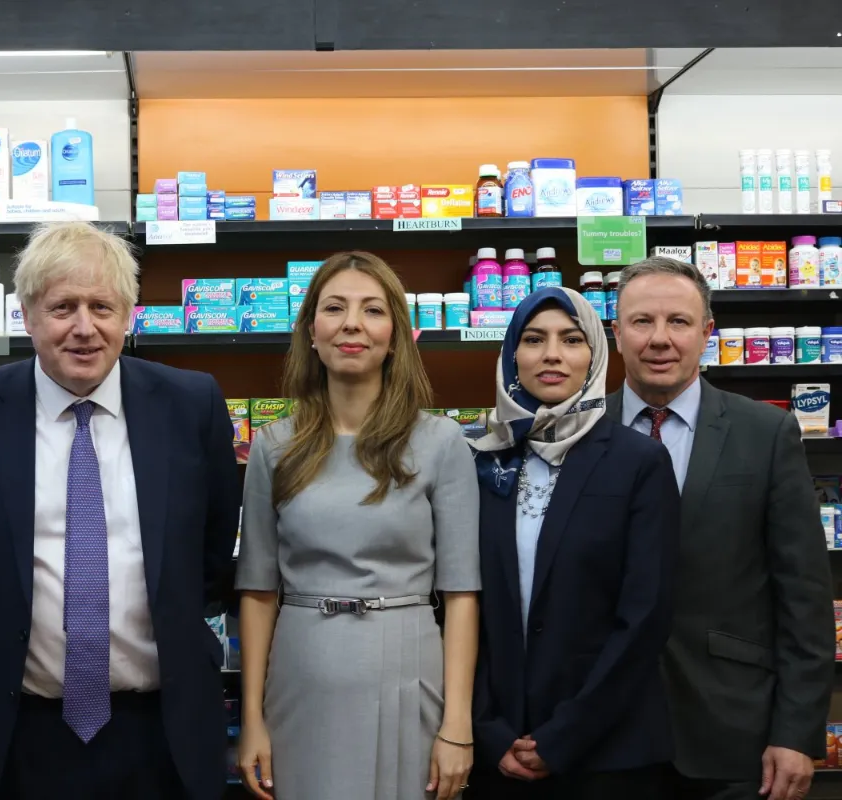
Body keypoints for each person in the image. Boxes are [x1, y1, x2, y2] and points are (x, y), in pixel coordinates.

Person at [0, 221, 240, 800]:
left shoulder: (192, 404)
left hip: (162, 733)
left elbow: (211, 555)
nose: (84, 328)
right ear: (28, 315)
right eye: (63, 307)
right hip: (14, 733)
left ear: (129, 315)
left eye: (102, 307)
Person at [235, 251, 480, 800]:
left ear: (396, 335)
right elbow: (256, 591)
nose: (352, 324)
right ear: (311, 333)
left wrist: (457, 724)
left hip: (408, 669)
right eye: (334, 308)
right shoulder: (274, 445)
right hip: (302, 674)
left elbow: (462, 594)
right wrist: (252, 716)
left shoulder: (441, 443)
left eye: (372, 310)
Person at [608, 256, 834, 800]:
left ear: (708, 333)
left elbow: (804, 595)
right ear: (615, 334)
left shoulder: (766, 432)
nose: (659, 339)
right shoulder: (577, 431)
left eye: (679, 322)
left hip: (732, 734)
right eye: (641, 322)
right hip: (601, 732)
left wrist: (796, 732)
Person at [465, 286, 679, 800]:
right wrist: (487, 728)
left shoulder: (638, 461)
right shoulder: (475, 456)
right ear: (512, 353)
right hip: (495, 746)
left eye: (572, 339)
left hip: (607, 749)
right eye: (534, 339)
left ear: (597, 353)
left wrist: (565, 734)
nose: (553, 354)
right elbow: (453, 602)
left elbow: (645, 614)